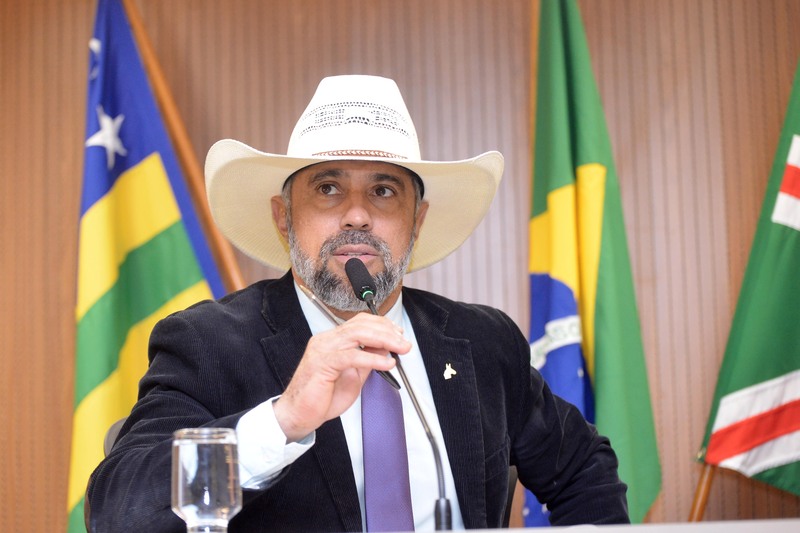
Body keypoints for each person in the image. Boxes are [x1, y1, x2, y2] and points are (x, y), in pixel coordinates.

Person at [86, 75, 628, 531]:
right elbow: (118, 512)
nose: (357, 216)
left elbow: (585, 471)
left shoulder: (483, 342)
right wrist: (282, 421)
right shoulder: (208, 343)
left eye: (384, 191)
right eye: (327, 188)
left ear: (417, 221)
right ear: (283, 218)